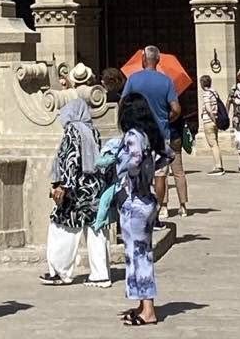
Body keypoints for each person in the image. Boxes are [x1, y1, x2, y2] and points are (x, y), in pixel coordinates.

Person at [41, 97, 110, 288]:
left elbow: (71, 159)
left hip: (75, 191)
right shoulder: (93, 130)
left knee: (61, 228)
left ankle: (60, 272)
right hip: (94, 189)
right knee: (96, 230)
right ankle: (101, 274)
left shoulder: (72, 130)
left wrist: (63, 186)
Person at [115, 93, 162, 327]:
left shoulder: (133, 135)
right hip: (147, 200)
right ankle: (142, 304)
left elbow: (134, 160)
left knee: (140, 256)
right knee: (136, 253)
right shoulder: (150, 134)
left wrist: (122, 171)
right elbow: (168, 155)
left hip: (135, 201)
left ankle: (149, 310)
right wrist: (149, 172)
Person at [121, 48, 181, 219]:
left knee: (138, 170)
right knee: (160, 175)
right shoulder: (166, 81)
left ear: (143, 59)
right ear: (158, 60)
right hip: (161, 133)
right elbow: (176, 109)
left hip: (138, 133)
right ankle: (158, 209)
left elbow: (123, 103)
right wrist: (166, 118)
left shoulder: (133, 79)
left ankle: (140, 206)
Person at [197, 75, 226, 174]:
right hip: (215, 120)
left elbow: (208, 108)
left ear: (202, 83)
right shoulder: (214, 92)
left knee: (213, 144)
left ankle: (218, 167)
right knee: (216, 143)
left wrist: (213, 119)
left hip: (209, 121)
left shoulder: (206, 94)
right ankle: (219, 165)